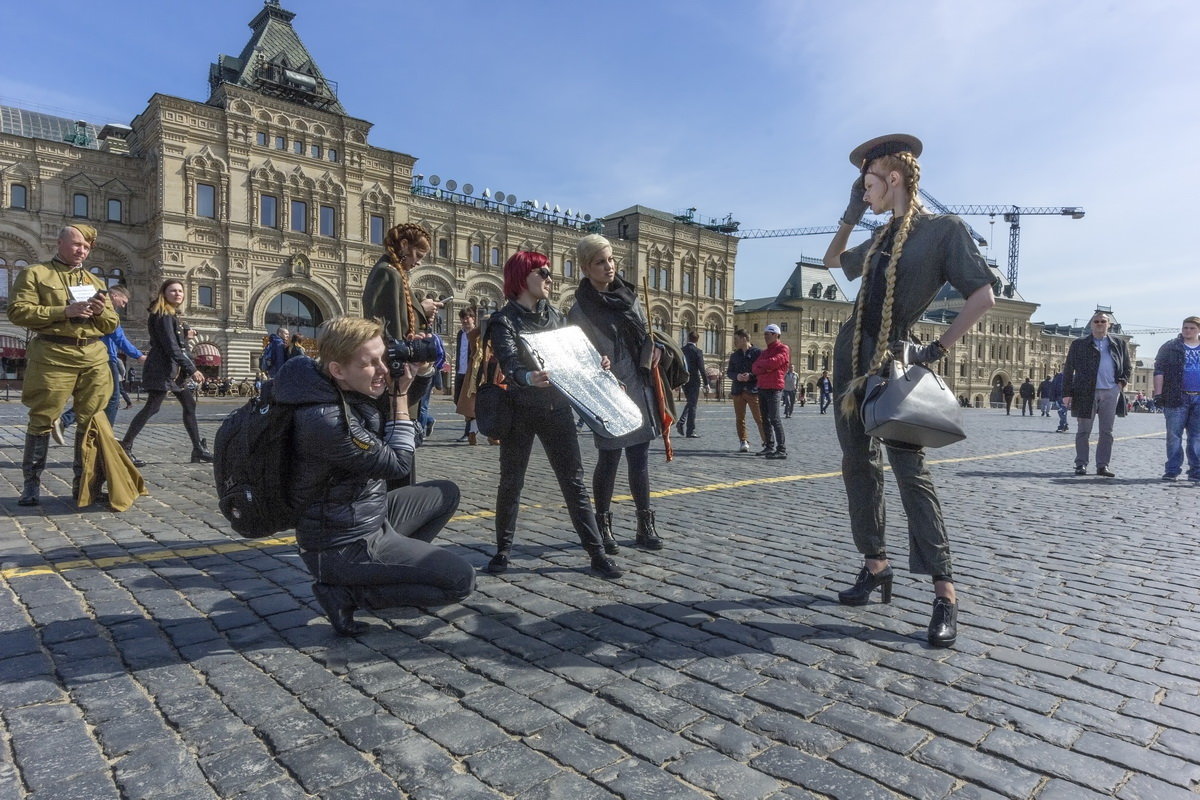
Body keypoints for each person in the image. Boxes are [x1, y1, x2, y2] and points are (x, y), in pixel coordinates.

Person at [823, 133, 996, 648]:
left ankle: (945, 594)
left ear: (893, 177)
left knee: (909, 474)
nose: (865, 191)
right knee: (858, 464)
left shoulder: (942, 231)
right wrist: (852, 211)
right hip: (848, 357)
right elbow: (833, 259)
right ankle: (875, 565)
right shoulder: (879, 237)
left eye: (869, 183)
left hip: (893, 363)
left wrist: (937, 348)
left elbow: (983, 295)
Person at [273, 316, 475, 636]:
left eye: (384, 357)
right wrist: (397, 401)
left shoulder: (339, 388)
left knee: (444, 493)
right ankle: (347, 593)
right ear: (338, 369)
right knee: (461, 581)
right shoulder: (326, 421)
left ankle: (392, 570)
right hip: (343, 544)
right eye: (371, 363)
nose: (383, 369)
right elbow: (397, 464)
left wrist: (418, 374)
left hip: (366, 515)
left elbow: (397, 419)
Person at [486, 251, 622, 578]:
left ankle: (596, 554)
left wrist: (597, 362)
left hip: (556, 408)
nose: (550, 278)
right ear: (522, 278)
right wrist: (527, 377)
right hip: (519, 410)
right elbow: (509, 363)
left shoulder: (555, 316)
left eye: (549, 273)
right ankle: (503, 550)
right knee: (511, 482)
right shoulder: (503, 321)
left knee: (573, 482)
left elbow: (576, 356)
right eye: (542, 272)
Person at [7, 224, 119, 505]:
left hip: (93, 356)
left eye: (85, 247)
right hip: (52, 354)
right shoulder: (35, 273)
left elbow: (111, 324)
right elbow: (18, 312)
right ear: (59, 243)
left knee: (91, 421)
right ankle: (31, 485)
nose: (81, 250)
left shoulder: (95, 283)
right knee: (43, 419)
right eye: (76, 244)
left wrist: (99, 312)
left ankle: (84, 486)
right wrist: (64, 311)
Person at [570, 233, 665, 551]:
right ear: (586, 267)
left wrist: (655, 351)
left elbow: (644, 334)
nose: (608, 266)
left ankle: (644, 524)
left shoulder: (629, 296)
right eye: (600, 262)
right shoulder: (580, 310)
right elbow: (578, 358)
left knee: (639, 458)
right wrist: (600, 372)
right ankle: (602, 525)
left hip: (638, 385)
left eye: (610, 259)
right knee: (608, 458)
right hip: (607, 391)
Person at [120, 279, 213, 466]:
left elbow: (175, 343)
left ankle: (198, 449)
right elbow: (170, 346)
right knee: (152, 407)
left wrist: (184, 337)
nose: (178, 294)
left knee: (189, 405)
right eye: (173, 291)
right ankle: (125, 446)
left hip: (173, 371)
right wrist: (192, 369)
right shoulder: (163, 314)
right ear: (164, 293)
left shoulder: (171, 315)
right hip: (162, 369)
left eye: (180, 291)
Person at [362, 222, 441, 418]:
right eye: (419, 256)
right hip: (394, 382)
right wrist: (421, 309)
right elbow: (387, 332)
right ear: (405, 245)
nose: (419, 262)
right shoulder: (387, 273)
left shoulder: (395, 273)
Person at [56, 284, 148, 441]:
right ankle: (105, 436)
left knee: (96, 396)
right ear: (114, 296)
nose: (123, 306)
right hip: (105, 358)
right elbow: (118, 337)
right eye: (123, 301)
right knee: (113, 398)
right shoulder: (106, 312)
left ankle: (66, 422)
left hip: (95, 357)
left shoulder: (93, 308)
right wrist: (138, 356)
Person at [1063, 312, 1131, 477]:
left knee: (1106, 431)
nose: (1099, 324)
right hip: (1085, 392)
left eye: (1103, 321)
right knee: (1083, 430)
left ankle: (1103, 465)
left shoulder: (1119, 344)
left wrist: (1120, 384)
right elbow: (1068, 369)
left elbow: (1127, 368)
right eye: (1096, 321)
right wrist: (1066, 393)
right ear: (1091, 324)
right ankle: (1081, 464)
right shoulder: (1079, 344)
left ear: (1109, 325)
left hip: (1110, 392)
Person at [1153, 316, 1200, 482]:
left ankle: (1196, 471)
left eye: (1192, 328)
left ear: (1198, 330)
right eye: (1185, 327)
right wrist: (1158, 395)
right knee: (1174, 436)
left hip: (1199, 398)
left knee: (1197, 437)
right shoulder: (1170, 347)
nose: (1188, 331)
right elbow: (1159, 371)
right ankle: (1172, 470)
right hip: (1176, 397)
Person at [752, 324, 790, 459]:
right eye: (765, 334)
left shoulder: (783, 349)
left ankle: (781, 449)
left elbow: (773, 363)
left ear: (776, 335)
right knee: (765, 419)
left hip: (774, 387)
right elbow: (755, 368)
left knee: (775, 418)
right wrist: (765, 368)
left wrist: (765, 366)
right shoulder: (765, 352)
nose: (765, 337)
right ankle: (769, 446)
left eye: (768, 334)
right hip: (762, 387)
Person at [726, 329, 767, 453]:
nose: (734, 342)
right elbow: (729, 372)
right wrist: (737, 376)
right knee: (740, 418)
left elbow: (762, 370)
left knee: (759, 418)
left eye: (736, 339)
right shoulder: (734, 355)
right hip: (738, 390)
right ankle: (743, 441)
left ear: (744, 339)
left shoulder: (758, 353)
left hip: (753, 390)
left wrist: (750, 376)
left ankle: (766, 442)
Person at [453, 308, 479, 443]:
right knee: (457, 400)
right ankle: (473, 428)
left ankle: (470, 432)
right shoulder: (460, 334)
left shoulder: (477, 334)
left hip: (471, 373)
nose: (464, 320)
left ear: (473, 318)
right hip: (460, 372)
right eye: (462, 318)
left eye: (467, 317)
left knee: (469, 404)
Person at [676, 330, 705, 437]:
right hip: (694, 381)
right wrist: (706, 383)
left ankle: (682, 422)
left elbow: (678, 366)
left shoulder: (681, 350)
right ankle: (690, 430)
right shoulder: (698, 352)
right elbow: (701, 368)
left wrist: (677, 382)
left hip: (684, 381)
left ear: (688, 338)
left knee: (690, 402)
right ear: (697, 340)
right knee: (693, 405)